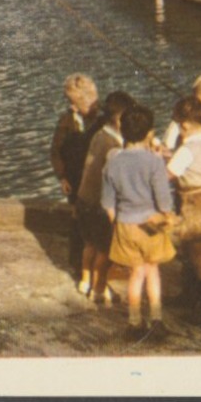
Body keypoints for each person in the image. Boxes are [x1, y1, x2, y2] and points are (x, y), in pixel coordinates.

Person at [101, 104, 177, 343]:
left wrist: (118, 225)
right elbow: (164, 200)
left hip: (125, 225)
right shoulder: (154, 162)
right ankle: (156, 320)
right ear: (149, 134)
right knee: (152, 271)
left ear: (122, 131)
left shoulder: (113, 162)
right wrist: (168, 216)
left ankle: (134, 323)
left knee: (135, 275)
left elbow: (107, 202)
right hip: (150, 225)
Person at [75, 89, 134, 303]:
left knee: (89, 244)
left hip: (83, 198)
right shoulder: (115, 146)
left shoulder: (99, 134)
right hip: (99, 204)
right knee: (103, 250)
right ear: (119, 120)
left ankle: (85, 281)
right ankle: (98, 288)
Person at [166, 94, 201, 327]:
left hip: (194, 204)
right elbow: (188, 162)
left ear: (184, 126)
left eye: (179, 125)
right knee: (191, 250)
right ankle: (189, 296)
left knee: (197, 255)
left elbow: (169, 174)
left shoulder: (185, 149)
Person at [50, 74, 103, 273]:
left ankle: (98, 262)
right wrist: (62, 176)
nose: (71, 107)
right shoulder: (66, 121)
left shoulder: (101, 121)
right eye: (69, 103)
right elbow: (56, 151)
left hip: (96, 177)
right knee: (78, 218)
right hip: (75, 177)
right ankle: (78, 262)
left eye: (75, 103)